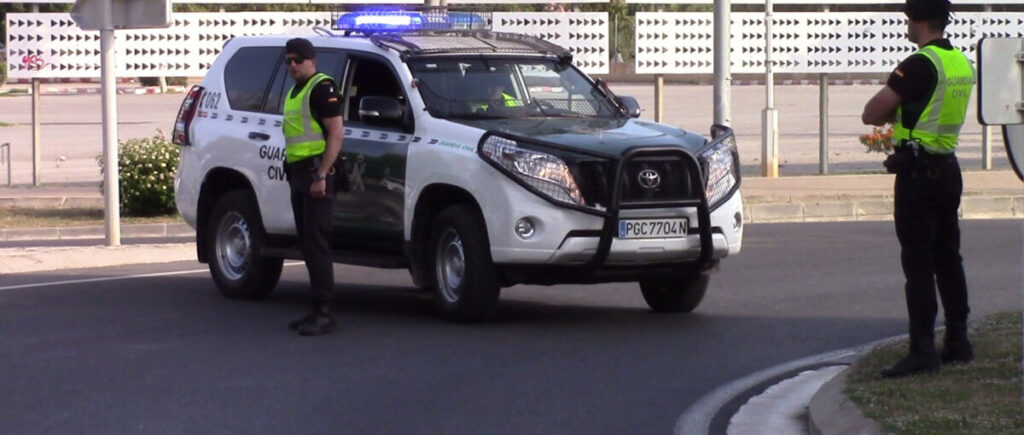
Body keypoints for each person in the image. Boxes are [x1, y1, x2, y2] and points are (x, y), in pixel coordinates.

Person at [861, 0, 975, 378]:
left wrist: (898, 109)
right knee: (949, 259)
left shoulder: (918, 64)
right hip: (948, 170)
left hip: (918, 176)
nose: (907, 25)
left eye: (909, 19)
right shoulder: (959, 62)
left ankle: (922, 349)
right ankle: (958, 341)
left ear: (920, 22)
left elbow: (872, 113)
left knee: (919, 265)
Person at [281, 38, 344, 336]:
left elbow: (336, 134)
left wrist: (322, 175)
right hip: (299, 173)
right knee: (307, 244)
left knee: (317, 245)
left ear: (312, 61)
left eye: (298, 59)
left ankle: (325, 313)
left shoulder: (322, 87)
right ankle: (315, 310)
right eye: (289, 60)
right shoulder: (295, 91)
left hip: (316, 174)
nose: (292, 65)